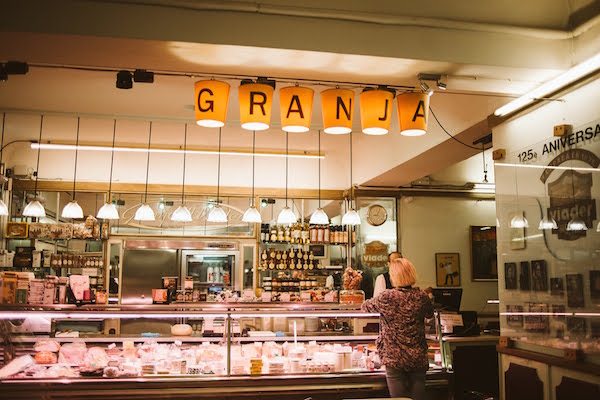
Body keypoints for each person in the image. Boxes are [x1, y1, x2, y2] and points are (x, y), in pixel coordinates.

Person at [362, 258, 433, 400]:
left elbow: (365, 307)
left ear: (394, 276)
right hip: (418, 358)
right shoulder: (422, 297)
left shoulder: (387, 297)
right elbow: (430, 314)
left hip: (394, 359)